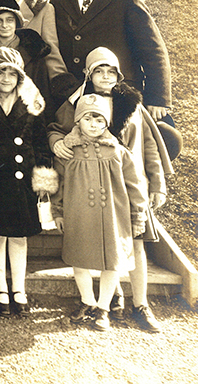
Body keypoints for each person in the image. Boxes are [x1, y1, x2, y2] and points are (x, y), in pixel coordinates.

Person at [47, 47, 173, 332]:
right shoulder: (76, 102)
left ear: (119, 75)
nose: (105, 77)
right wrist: (58, 141)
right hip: (91, 181)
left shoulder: (132, 103)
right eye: (99, 72)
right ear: (89, 75)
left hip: (129, 183)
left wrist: (157, 183)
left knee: (134, 244)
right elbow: (55, 127)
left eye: (111, 72)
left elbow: (149, 145)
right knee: (106, 246)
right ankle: (109, 299)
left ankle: (141, 304)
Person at [50, 93, 146, 332]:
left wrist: (138, 215)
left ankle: (104, 308)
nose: (94, 125)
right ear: (78, 121)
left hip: (114, 216)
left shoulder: (118, 152)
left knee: (111, 262)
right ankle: (88, 302)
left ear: (107, 123)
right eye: (88, 119)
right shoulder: (68, 152)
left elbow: (135, 185)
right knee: (79, 260)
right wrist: (58, 211)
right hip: (79, 214)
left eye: (100, 120)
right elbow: (58, 184)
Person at [51, 0, 172, 118]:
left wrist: (158, 99)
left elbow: (153, 51)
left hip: (120, 95)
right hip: (76, 96)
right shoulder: (58, 3)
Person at [0, 47, 50, 318]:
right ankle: (0, 288)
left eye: (12, 73)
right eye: (1, 73)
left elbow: (42, 142)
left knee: (19, 237)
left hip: (23, 178)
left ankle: (18, 288)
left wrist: (43, 183)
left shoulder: (32, 102)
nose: (7, 78)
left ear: (20, 76)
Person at [0, 0, 77, 120]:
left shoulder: (33, 51)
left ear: (17, 22)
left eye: (9, 20)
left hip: (26, 118)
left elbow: (42, 90)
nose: (4, 25)